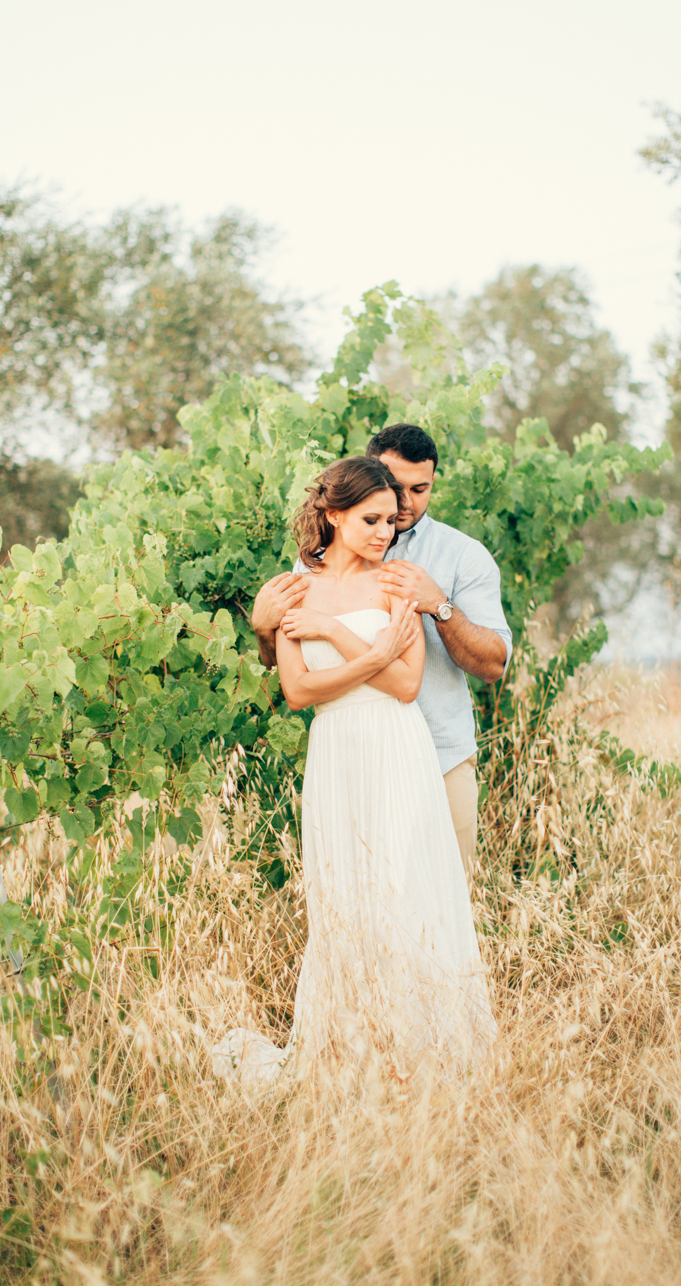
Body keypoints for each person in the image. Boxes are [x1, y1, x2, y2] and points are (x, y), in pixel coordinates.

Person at [214, 457, 496, 1084]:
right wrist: (368, 649)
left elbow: (405, 683)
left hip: (398, 746)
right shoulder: (294, 589)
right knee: (346, 895)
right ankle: (352, 1046)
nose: (385, 534)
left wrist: (338, 635)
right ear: (334, 514)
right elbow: (298, 692)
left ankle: (416, 1051)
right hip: (337, 751)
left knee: (405, 888)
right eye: (371, 520)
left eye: (392, 522)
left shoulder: (398, 584)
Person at [252, 424, 513, 880]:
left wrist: (439, 605)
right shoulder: (308, 567)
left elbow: (493, 664)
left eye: (420, 488)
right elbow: (290, 667)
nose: (405, 503)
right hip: (351, 759)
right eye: (395, 487)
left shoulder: (461, 555)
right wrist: (261, 629)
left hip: (440, 753)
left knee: (441, 904)